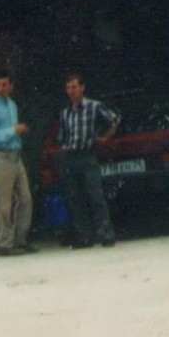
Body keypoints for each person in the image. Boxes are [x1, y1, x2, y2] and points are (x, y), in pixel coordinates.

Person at [57, 73, 120, 249]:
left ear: (82, 88)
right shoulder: (65, 112)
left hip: (87, 154)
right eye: (68, 88)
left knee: (95, 195)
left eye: (74, 87)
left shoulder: (93, 106)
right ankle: (85, 236)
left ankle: (106, 234)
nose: (71, 91)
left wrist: (105, 138)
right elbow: (62, 135)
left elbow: (114, 119)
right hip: (70, 156)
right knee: (75, 198)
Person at [0, 71, 34, 256]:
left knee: (25, 199)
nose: (2, 88)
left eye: (5, 84)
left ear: (10, 86)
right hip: (1, 157)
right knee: (4, 202)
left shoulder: (12, 105)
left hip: (15, 156)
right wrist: (13, 131)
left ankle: (19, 240)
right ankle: (4, 243)